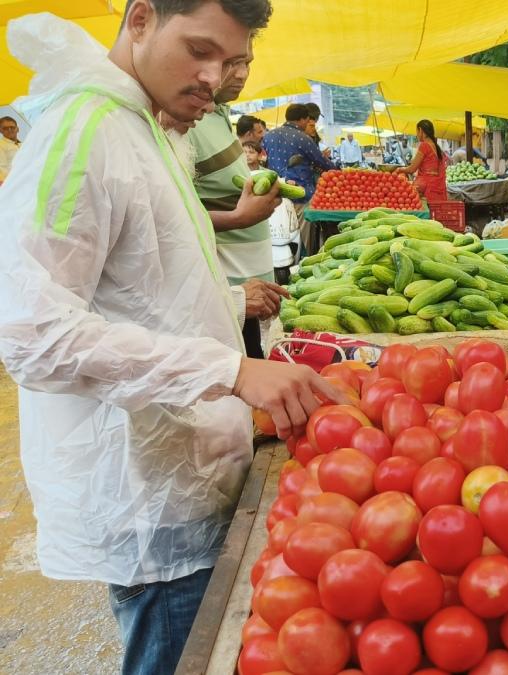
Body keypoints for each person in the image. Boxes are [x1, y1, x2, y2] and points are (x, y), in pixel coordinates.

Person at [0, 4, 347, 675]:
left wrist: (227, 303)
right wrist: (232, 369)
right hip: (149, 496)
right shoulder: (85, 131)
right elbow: (31, 331)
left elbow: (143, 281)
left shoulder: (147, 125)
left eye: (233, 62)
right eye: (198, 50)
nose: (214, 78)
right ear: (140, 20)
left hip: (182, 467)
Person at [188, 41, 285, 359]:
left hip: (246, 294)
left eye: (248, 63)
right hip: (225, 297)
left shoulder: (216, 117)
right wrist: (239, 218)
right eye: (233, 62)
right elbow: (173, 215)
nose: (242, 74)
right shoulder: (186, 123)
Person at [262, 103, 334, 253]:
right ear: (302, 119)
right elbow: (321, 161)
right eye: (307, 120)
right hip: (300, 195)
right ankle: (303, 262)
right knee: (302, 237)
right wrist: (339, 171)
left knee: (278, 232)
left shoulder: (268, 136)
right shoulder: (303, 138)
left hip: (275, 193)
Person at [398, 119, 449, 202]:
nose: (417, 135)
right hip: (437, 188)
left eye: (417, 132)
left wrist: (399, 169)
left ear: (421, 130)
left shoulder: (424, 145)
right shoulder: (436, 146)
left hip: (427, 188)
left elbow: (411, 169)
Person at [0, 115, 20, 184]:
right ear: (0, 130)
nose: (9, 130)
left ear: (17, 129)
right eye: (5, 128)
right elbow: (2, 169)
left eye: (12, 127)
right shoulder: (1, 146)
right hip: (13, 183)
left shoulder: (23, 144)